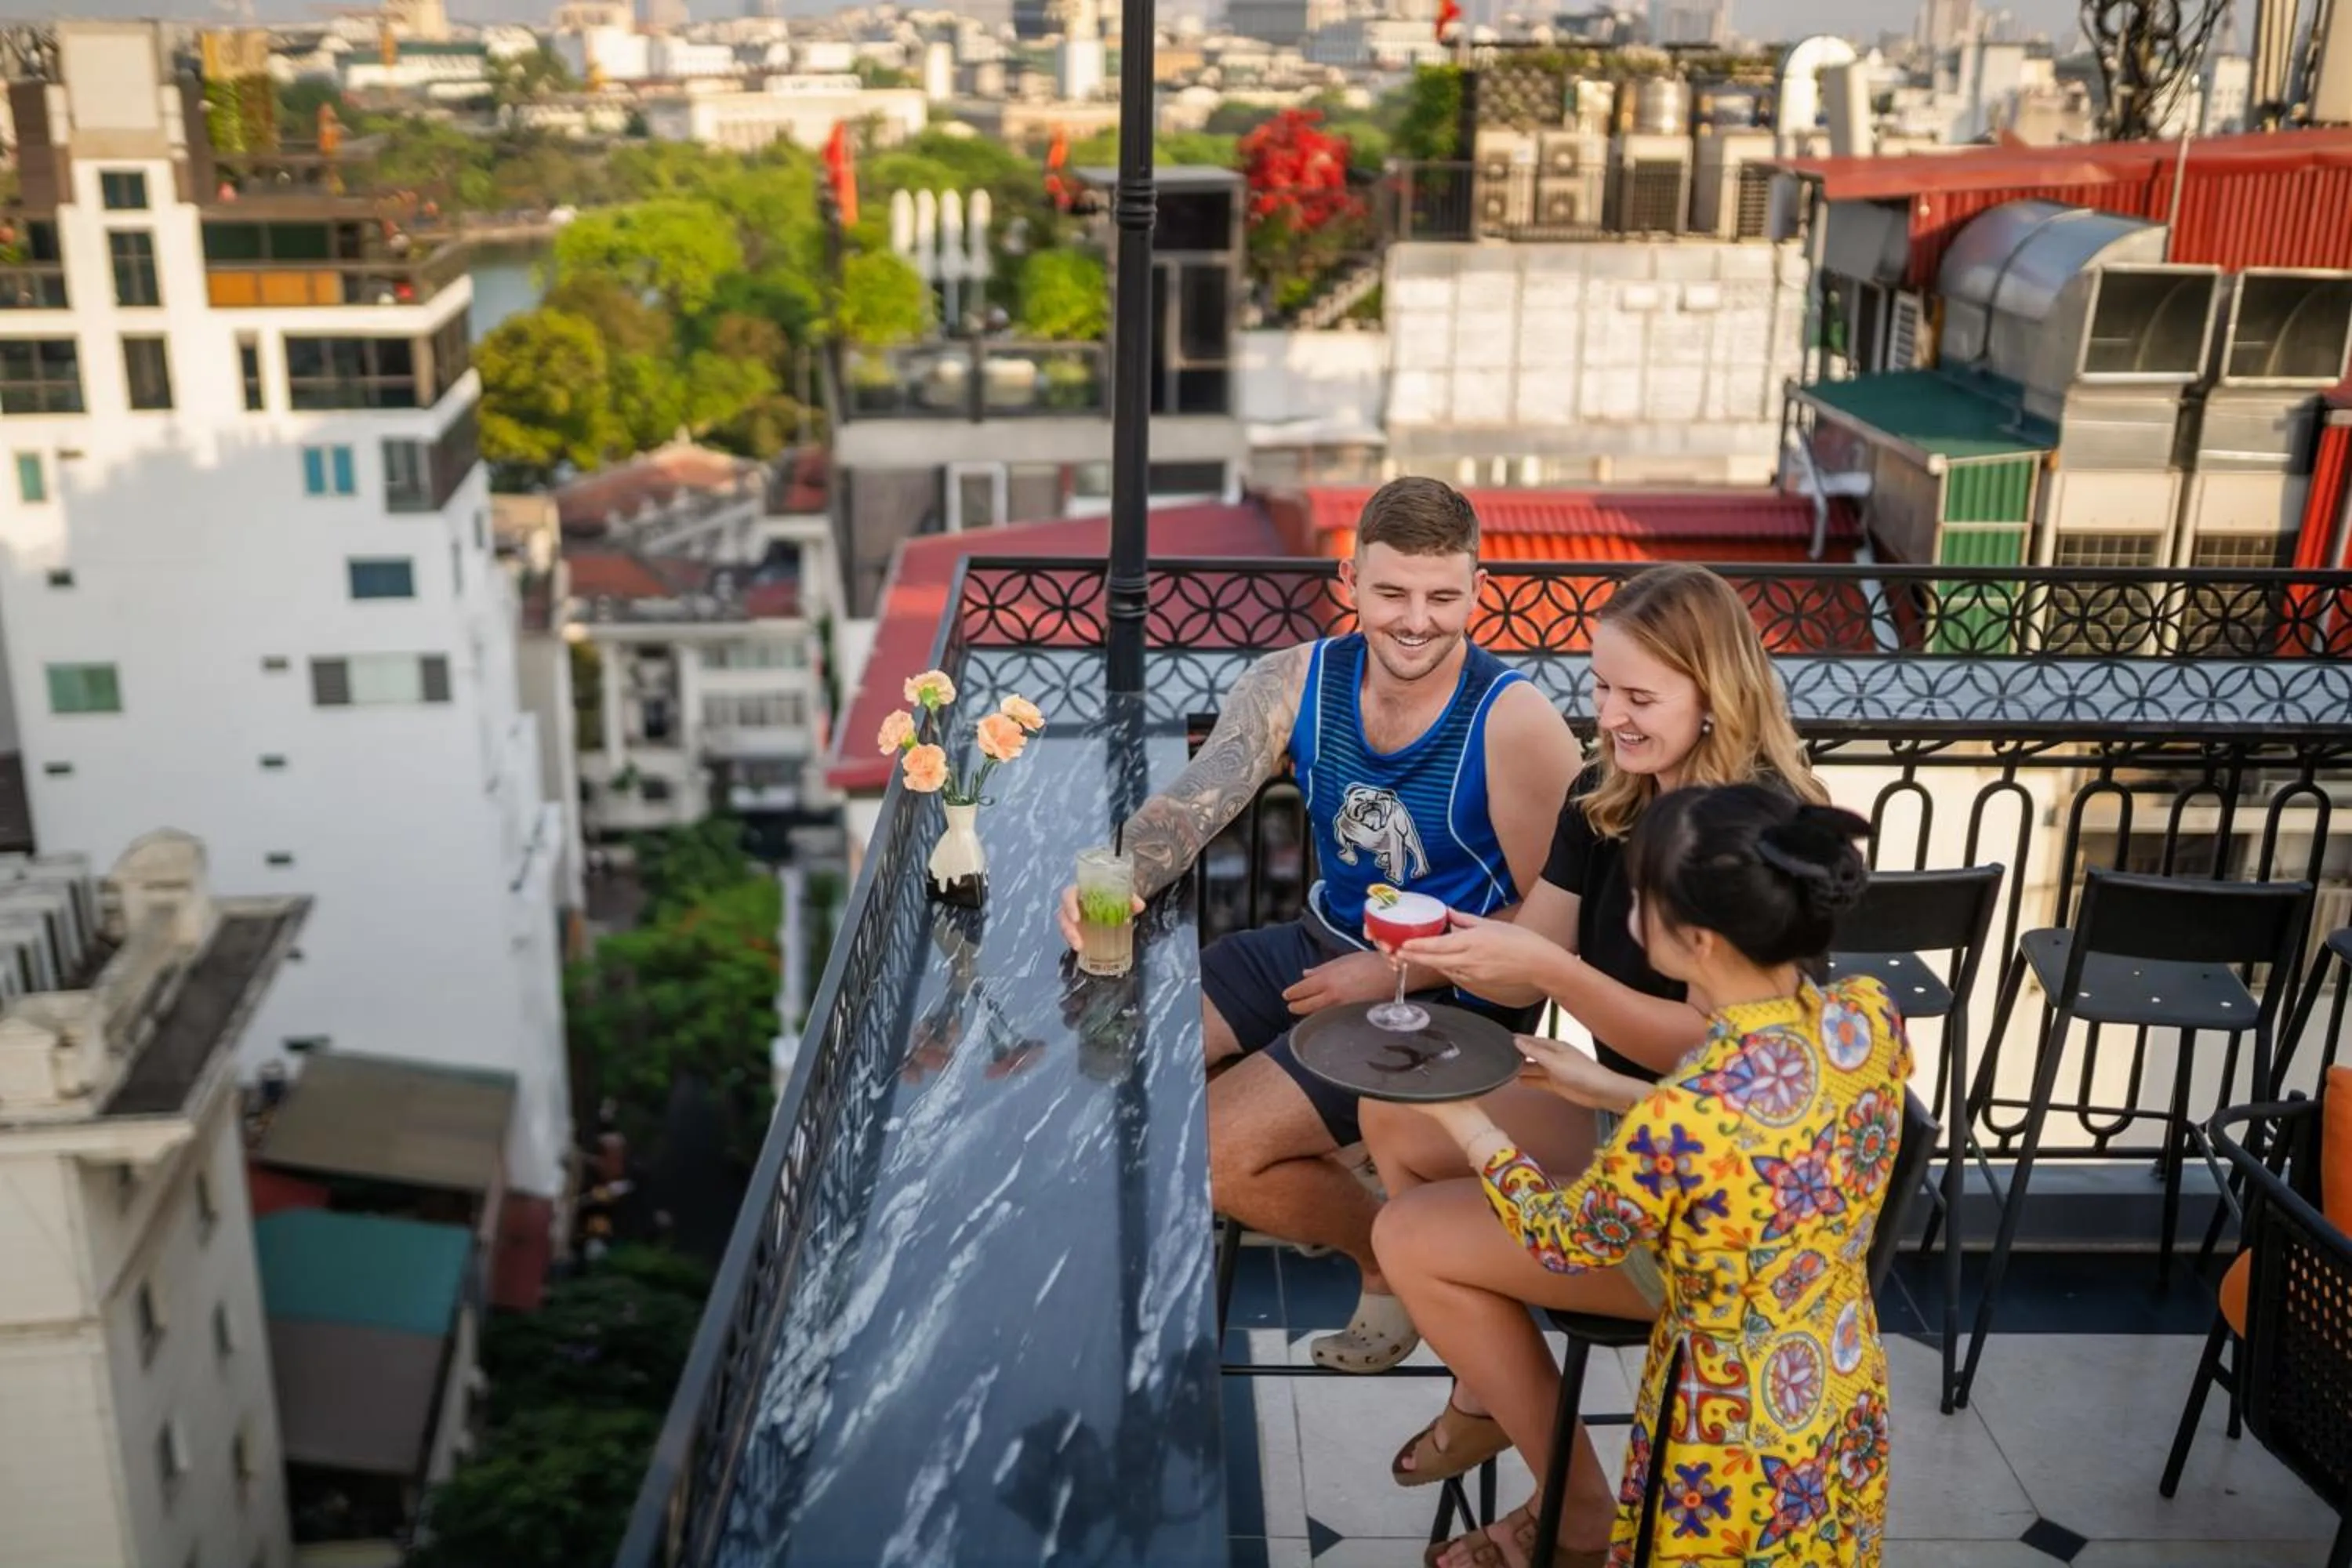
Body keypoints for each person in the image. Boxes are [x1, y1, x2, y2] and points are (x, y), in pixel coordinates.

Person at [1055, 476, 1581, 1371]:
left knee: (1215, 1148)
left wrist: (1405, 968)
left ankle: (1390, 1255)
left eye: (1442, 596)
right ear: (1351, 581)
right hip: (1320, 942)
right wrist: (1122, 872)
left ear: (1478, 590)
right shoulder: (1296, 678)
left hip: (1447, 1002)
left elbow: (1552, 931)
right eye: (1392, 592)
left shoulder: (1515, 721)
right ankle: (1329, 1169)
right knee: (1108, 1043)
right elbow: (1197, 801)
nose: (1416, 620)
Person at [1364, 564, 1828, 1534]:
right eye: (1601, 686)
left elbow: (1722, 1056)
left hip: (1710, 1184)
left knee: (1407, 1236)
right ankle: (1486, 1380)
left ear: (1714, 691)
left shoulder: (1762, 834)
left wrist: (1562, 979)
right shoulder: (1605, 795)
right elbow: (1526, 971)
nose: (1609, 715)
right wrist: (1446, 942)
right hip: (1628, 1111)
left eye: (1638, 697)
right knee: (1392, 1115)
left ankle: (1573, 1511)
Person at [1404, 786, 1904, 1568]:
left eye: (1642, 898)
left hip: (1726, 1421)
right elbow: (1773, 1131)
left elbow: (1564, 1237)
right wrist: (1614, 1090)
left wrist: (1465, 1119)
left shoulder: (1683, 1118)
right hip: (1837, 1371)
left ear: (1697, 940)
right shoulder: (1866, 1015)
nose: (1631, 912)